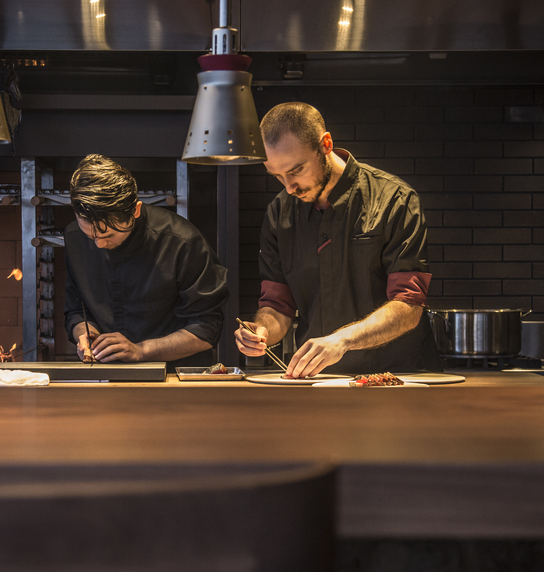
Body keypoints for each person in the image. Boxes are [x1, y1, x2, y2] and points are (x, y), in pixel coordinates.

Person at [235, 102, 441, 377]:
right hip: (318, 381)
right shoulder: (279, 213)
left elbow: (409, 306)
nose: (289, 187)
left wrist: (342, 340)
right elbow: (277, 306)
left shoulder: (395, 200)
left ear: (326, 145)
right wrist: (261, 331)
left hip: (397, 378)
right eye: (277, 176)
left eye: (296, 170)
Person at [64, 154, 228, 368]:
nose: (99, 245)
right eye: (91, 236)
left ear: (136, 210)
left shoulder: (182, 242)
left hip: (175, 378)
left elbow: (207, 328)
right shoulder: (73, 236)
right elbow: (75, 310)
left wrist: (141, 350)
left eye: (108, 236)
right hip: (106, 375)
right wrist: (86, 334)